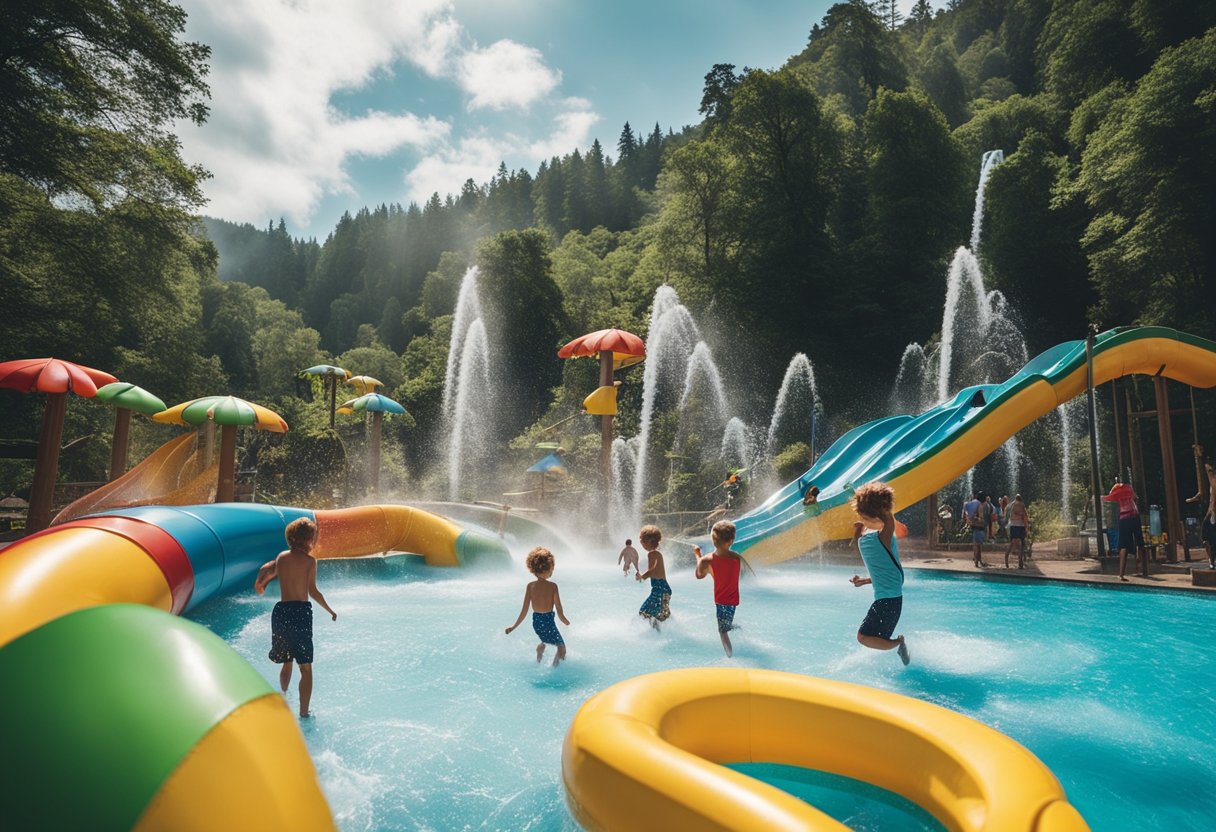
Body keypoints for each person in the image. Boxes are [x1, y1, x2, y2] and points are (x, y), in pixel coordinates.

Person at [254, 516, 338, 719]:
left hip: (282, 612)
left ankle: (283, 696)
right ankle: (303, 713)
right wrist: (330, 610)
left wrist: (260, 583)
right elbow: (313, 591)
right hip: (300, 613)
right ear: (309, 538)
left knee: (286, 660)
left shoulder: (282, 557)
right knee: (306, 668)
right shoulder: (310, 561)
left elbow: (268, 568)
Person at [848, 481, 910, 665]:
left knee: (863, 637)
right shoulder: (870, 537)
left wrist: (880, 506)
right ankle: (898, 644)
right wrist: (864, 581)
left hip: (888, 601)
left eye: (861, 512)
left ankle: (899, 643)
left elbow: (888, 519)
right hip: (887, 599)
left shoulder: (884, 537)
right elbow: (884, 574)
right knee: (865, 636)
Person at [693, 520, 751, 657]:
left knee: (722, 632)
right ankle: (734, 627)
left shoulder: (707, 560)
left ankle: (730, 658)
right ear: (731, 541)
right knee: (726, 623)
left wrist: (697, 555)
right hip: (733, 601)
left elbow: (699, 575)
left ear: (713, 540)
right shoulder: (737, 559)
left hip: (721, 602)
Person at [505, 546, 570, 666]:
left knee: (546, 638)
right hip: (548, 621)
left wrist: (513, 627)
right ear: (548, 568)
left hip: (536, 622)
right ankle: (554, 672)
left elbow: (524, 610)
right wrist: (565, 621)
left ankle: (541, 648)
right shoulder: (553, 586)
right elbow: (559, 610)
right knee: (562, 649)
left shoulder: (530, 586)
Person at [1103, 479, 1147, 581]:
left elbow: (1110, 496)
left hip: (1124, 518)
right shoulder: (1129, 488)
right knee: (1140, 542)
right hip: (1134, 516)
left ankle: (1121, 574)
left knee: (1123, 546)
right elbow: (1135, 497)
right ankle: (1140, 566)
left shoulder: (1116, 489)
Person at [635, 525, 672, 629]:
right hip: (663, 589)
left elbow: (652, 570)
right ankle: (665, 631)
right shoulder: (657, 554)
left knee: (644, 612)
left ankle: (658, 634)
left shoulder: (652, 554)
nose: (641, 544)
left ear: (648, 541)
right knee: (659, 616)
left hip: (659, 590)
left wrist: (642, 577)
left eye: (642, 541)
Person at [1185, 458, 1216, 569]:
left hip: (1213, 513)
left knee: (1211, 538)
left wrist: (1207, 469)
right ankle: (1211, 560)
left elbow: (1213, 484)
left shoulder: (1214, 481)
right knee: (1206, 539)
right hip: (1211, 513)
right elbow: (1203, 492)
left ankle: (1212, 560)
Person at [963, 491, 989, 567]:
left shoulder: (976, 505)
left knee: (977, 545)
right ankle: (977, 563)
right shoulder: (980, 506)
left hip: (975, 527)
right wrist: (980, 519)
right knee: (978, 546)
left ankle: (978, 561)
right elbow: (979, 518)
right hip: (979, 527)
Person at [1005, 493, 1030, 569]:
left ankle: (1006, 559)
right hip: (1020, 526)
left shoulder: (1011, 505)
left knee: (1012, 543)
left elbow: (1007, 515)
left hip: (1013, 525)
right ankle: (1020, 562)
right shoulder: (1021, 505)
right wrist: (1026, 528)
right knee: (1021, 544)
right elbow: (1025, 516)